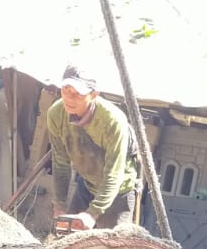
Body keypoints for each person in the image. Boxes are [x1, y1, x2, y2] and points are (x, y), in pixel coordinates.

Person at [47, 64, 140, 229]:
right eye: (65, 90)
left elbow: (113, 174)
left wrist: (92, 214)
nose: (69, 98)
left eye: (77, 94)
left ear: (94, 94)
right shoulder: (56, 114)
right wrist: (59, 207)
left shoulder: (113, 121)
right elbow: (60, 163)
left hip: (119, 191)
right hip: (88, 185)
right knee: (65, 240)